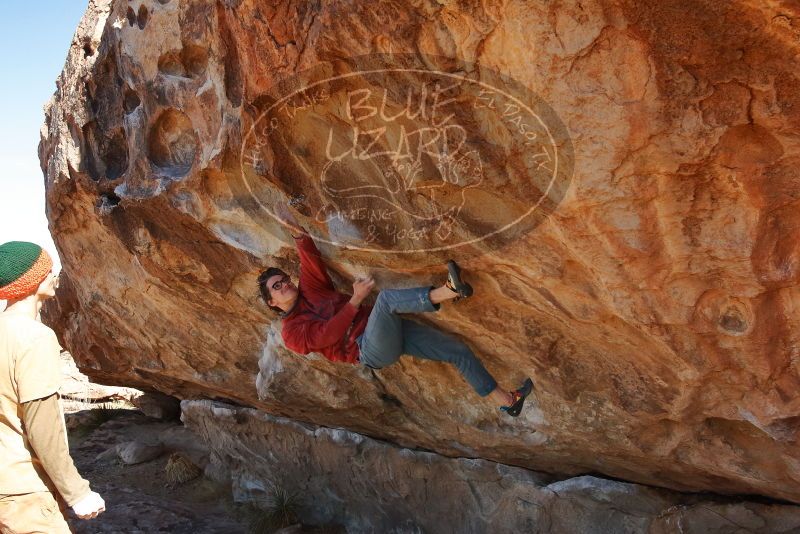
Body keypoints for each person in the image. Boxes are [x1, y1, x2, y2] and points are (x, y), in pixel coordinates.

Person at [257, 208, 533, 417]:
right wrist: (354, 301)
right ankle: (451, 291)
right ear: (272, 302)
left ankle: (509, 402)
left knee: (456, 350)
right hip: (368, 348)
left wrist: (296, 231)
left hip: (387, 331)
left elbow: (309, 258)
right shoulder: (292, 333)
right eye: (277, 287)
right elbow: (326, 334)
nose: (285, 285)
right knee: (386, 300)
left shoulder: (310, 289)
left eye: (284, 279)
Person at [0, 241, 105, 534]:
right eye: (48, 270)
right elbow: (41, 424)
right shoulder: (34, 337)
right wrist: (77, 492)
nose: (54, 275)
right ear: (34, 280)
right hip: (24, 492)